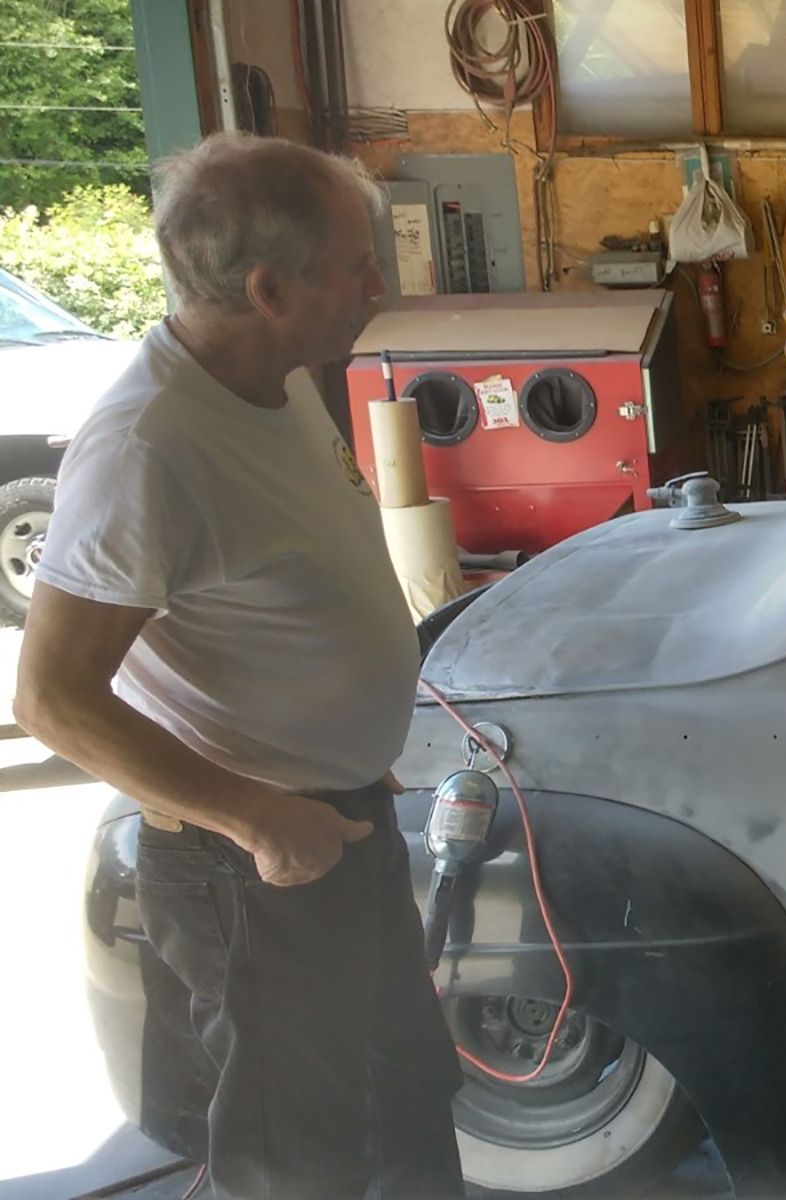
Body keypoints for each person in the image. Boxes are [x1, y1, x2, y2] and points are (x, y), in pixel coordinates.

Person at [15, 133, 464, 1197]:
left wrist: (344, 753)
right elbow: (52, 699)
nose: (375, 282)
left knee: (402, 1106)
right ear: (269, 287)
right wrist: (260, 814)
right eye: (357, 262)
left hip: (334, 819)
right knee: (292, 1161)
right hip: (253, 868)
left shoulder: (285, 379)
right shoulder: (148, 447)